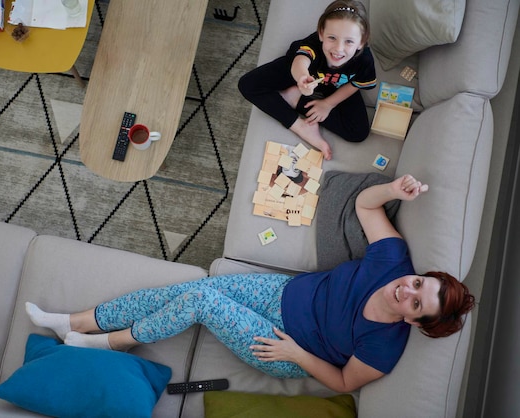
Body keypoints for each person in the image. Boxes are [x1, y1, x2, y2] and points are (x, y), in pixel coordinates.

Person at [26, 175, 475, 393]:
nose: (407, 291)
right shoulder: (393, 263)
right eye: (418, 284)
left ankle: (110, 341)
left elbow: (343, 382)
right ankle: (77, 320)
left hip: (283, 345)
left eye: (417, 303)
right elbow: (364, 206)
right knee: (180, 294)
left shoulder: (385, 346)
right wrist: (395, 189)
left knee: (200, 296)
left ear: (417, 322)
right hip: (281, 295)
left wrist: (296, 354)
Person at [238, 0, 376, 161]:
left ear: (361, 42)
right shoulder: (313, 44)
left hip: (337, 86)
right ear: (321, 33)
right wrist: (301, 78)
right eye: (332, 38)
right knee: (247, 84)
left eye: (349, 41)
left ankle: (295, 99)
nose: (338, 49)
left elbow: (356, 84)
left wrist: (328, 104)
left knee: (358, 133)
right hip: (306, 74)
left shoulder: (364, 59)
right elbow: (301, 60)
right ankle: (300, 127)